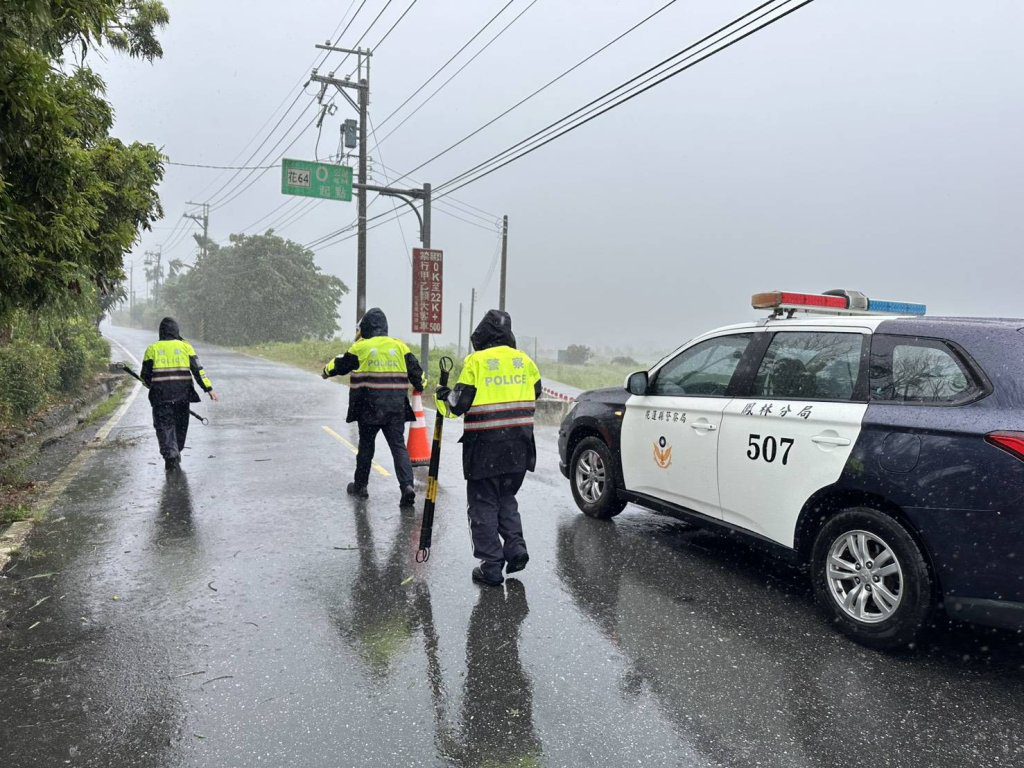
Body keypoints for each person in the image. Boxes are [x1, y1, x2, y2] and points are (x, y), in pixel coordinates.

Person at [436, 309, 542, 586]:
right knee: (506, 498)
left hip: (485, 449)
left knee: (482, 505)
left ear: (482, 334)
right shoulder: (525, 361)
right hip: (519, 446)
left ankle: (491, 565)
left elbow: (458, 405)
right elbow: (537, 391)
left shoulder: (477, 361)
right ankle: (516, 548)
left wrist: (442, 396)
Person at [322, 307, 424, 506]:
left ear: (366, 327)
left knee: (366, 447)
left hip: (369, 407)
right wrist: (422, 386)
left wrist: (326, 371)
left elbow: (340, 365)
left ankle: (361, 486)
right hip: (395, 407)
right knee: (398, 447)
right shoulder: (400, 347)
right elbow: (417, 373)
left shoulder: (361, 347)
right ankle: (407, 486)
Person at [141, 317, 218, 472]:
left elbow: (145, 376)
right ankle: (175, 451)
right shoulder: (186, 347)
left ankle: (171, 454)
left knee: (164, 426)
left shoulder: (152, 349)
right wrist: (208, 389)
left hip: (161, 398)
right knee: (180, 426)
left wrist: (151, 385)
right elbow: (198, 371)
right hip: (182, 397)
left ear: (161, 332)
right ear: (176, 331)